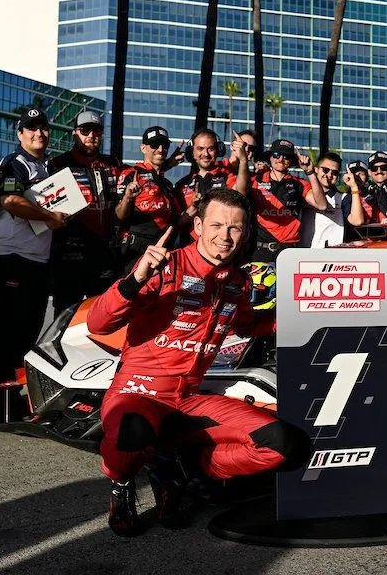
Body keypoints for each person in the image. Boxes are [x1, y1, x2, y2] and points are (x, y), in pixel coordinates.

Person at [88, 188, 309, 536]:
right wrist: (136, 278)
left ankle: (180, 469)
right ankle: (122, 484)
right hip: (138, 394)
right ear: (197, 226)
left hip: (188, 400)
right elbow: (98, 324)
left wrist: (296, 316)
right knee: (132, 432)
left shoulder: (238, 280)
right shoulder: (165, 266)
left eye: (235, 228)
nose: (225, 236)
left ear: (247, 232)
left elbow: (248, 326)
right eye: (217, 225)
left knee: (285, 445)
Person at [0, 107, 67, 420]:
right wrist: (49, 216)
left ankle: (12, 398)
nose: (39, 133)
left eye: (43, 128)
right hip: (13, 257)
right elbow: (10, 202)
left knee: (29, 332)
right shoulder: (14, 162)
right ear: (20, 134)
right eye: (31, 129)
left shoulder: (47, 166)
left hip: (39, 260)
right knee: (8, 332)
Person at [47, 110, 123, 310]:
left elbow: (142, 173)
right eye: (85, 130)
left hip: (104, 253)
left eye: (96, 131)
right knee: (64, 314)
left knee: (101, 314)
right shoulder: (57, 164)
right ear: (75, 133)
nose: (91, 135)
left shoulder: (112, 164)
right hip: (69, 253)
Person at [115, 126, 185, 268]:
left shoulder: (167, 183)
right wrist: (128, 197)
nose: (160, 149)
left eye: (164, 145)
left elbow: (177, 219)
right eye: (154, 144)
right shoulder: (131, 173)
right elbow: (119, 216)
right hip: (135, 247)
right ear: (143, 148)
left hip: (164, 247)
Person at [247, 139, 327, 261]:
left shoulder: (300, 184)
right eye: (276, 155)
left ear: (291, 161)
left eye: (286, 156)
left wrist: (310, 173)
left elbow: (321, 205)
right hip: (260, 250)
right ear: (270, 158)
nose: (280, 159)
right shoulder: (254, 181)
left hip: (290, 251)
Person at [174, 129, 250, 219]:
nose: (206, 154)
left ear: (218, 150)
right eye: (200, 149)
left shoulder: (226, 176)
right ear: (191, 152)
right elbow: (176, 223)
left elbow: (241, 194)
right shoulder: (181, 185)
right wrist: (193, 208)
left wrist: (243, 160)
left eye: (211, 149)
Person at [300, 152, 346, 247]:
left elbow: (357, 221)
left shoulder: (344, 198)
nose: (329, 175)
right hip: (304, 254)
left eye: (335, 172)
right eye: (325, 170)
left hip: (331, 256)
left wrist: (354, 188)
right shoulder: (303, 193)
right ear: (316, 169)